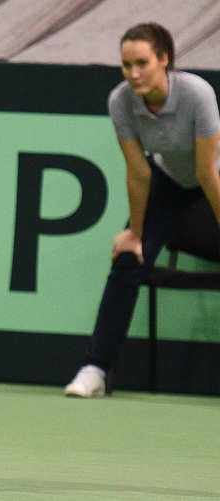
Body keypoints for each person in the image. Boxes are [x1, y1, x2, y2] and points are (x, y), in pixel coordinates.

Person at [65, 22, 220, 397]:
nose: (133, 74)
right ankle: (95, 369)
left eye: (142, 63)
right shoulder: (120, 101)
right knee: (128, 260)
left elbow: (206, 172)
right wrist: (135, 233)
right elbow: (138, 172)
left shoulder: (197, 93)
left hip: (214, 176)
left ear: (164, 60)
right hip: (169, 178)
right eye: (126, 64)